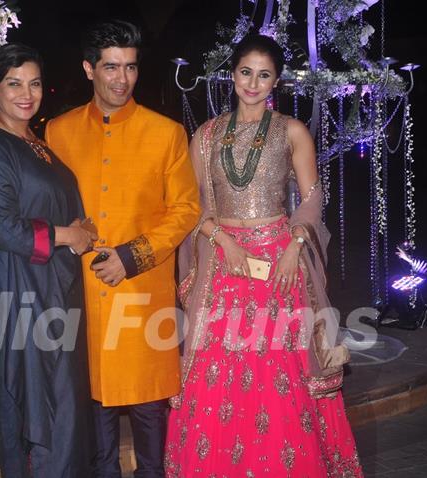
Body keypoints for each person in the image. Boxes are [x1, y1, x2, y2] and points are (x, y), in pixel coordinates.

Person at [164, 34, 363, 477]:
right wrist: (221, 238)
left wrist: (295, 245)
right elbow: (191, 205)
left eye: (264, 75)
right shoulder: (206, 135)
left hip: (278, 266)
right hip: (222, 264)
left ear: (276, 81)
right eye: (245, 72)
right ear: (232, 74)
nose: (253, 83)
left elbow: (312, 198)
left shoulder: (291, 131)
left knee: (279, 372)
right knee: (218, 374)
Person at [45, 20, 200, 478]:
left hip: (143, 294)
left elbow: (186, 209)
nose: (122, 78)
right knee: (95, 410)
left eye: (130, 67)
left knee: (151, 412)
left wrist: (133, 256)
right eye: (111, 67)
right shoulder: (58, 132)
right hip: (84, 295)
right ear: (89, 69)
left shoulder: (167, 133)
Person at [0, 43, 95, 478]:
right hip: (20, 293)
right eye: (14, 83)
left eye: (34, 83)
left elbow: (47, 204)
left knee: (64, 400)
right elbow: (3, 227)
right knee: (38, 404)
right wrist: (68, 234)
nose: (26, 93)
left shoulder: (34, 141)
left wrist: (79, 227)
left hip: (52, 288)